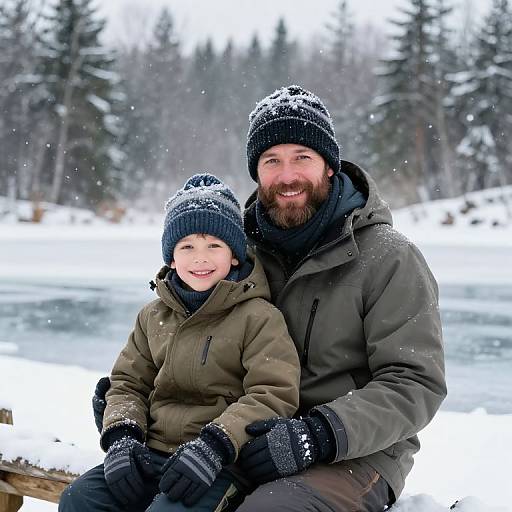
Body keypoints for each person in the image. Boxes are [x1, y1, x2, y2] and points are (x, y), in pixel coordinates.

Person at [92, 85, 447, 512]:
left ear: (329, 166)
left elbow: (415, 382)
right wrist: (136, 412)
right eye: (272, 161)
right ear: (256, 172)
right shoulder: (234, 249)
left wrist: (319, 433)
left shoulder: (389, 258)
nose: (288, 175)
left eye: (303, 158)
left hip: (352, 453)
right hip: (240, 439)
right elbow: (182, 341)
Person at [59, 173, 301, 512]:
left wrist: (216, 444)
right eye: (187, 247)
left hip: (220, 463)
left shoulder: (259, 317)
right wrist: (122, 437)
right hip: (151, 452)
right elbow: (128, 383)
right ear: (171, 258)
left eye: (214, 246)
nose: (200, 259)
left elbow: (272, 395)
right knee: (81, 499)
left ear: (234, 255)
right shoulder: (152, 316)